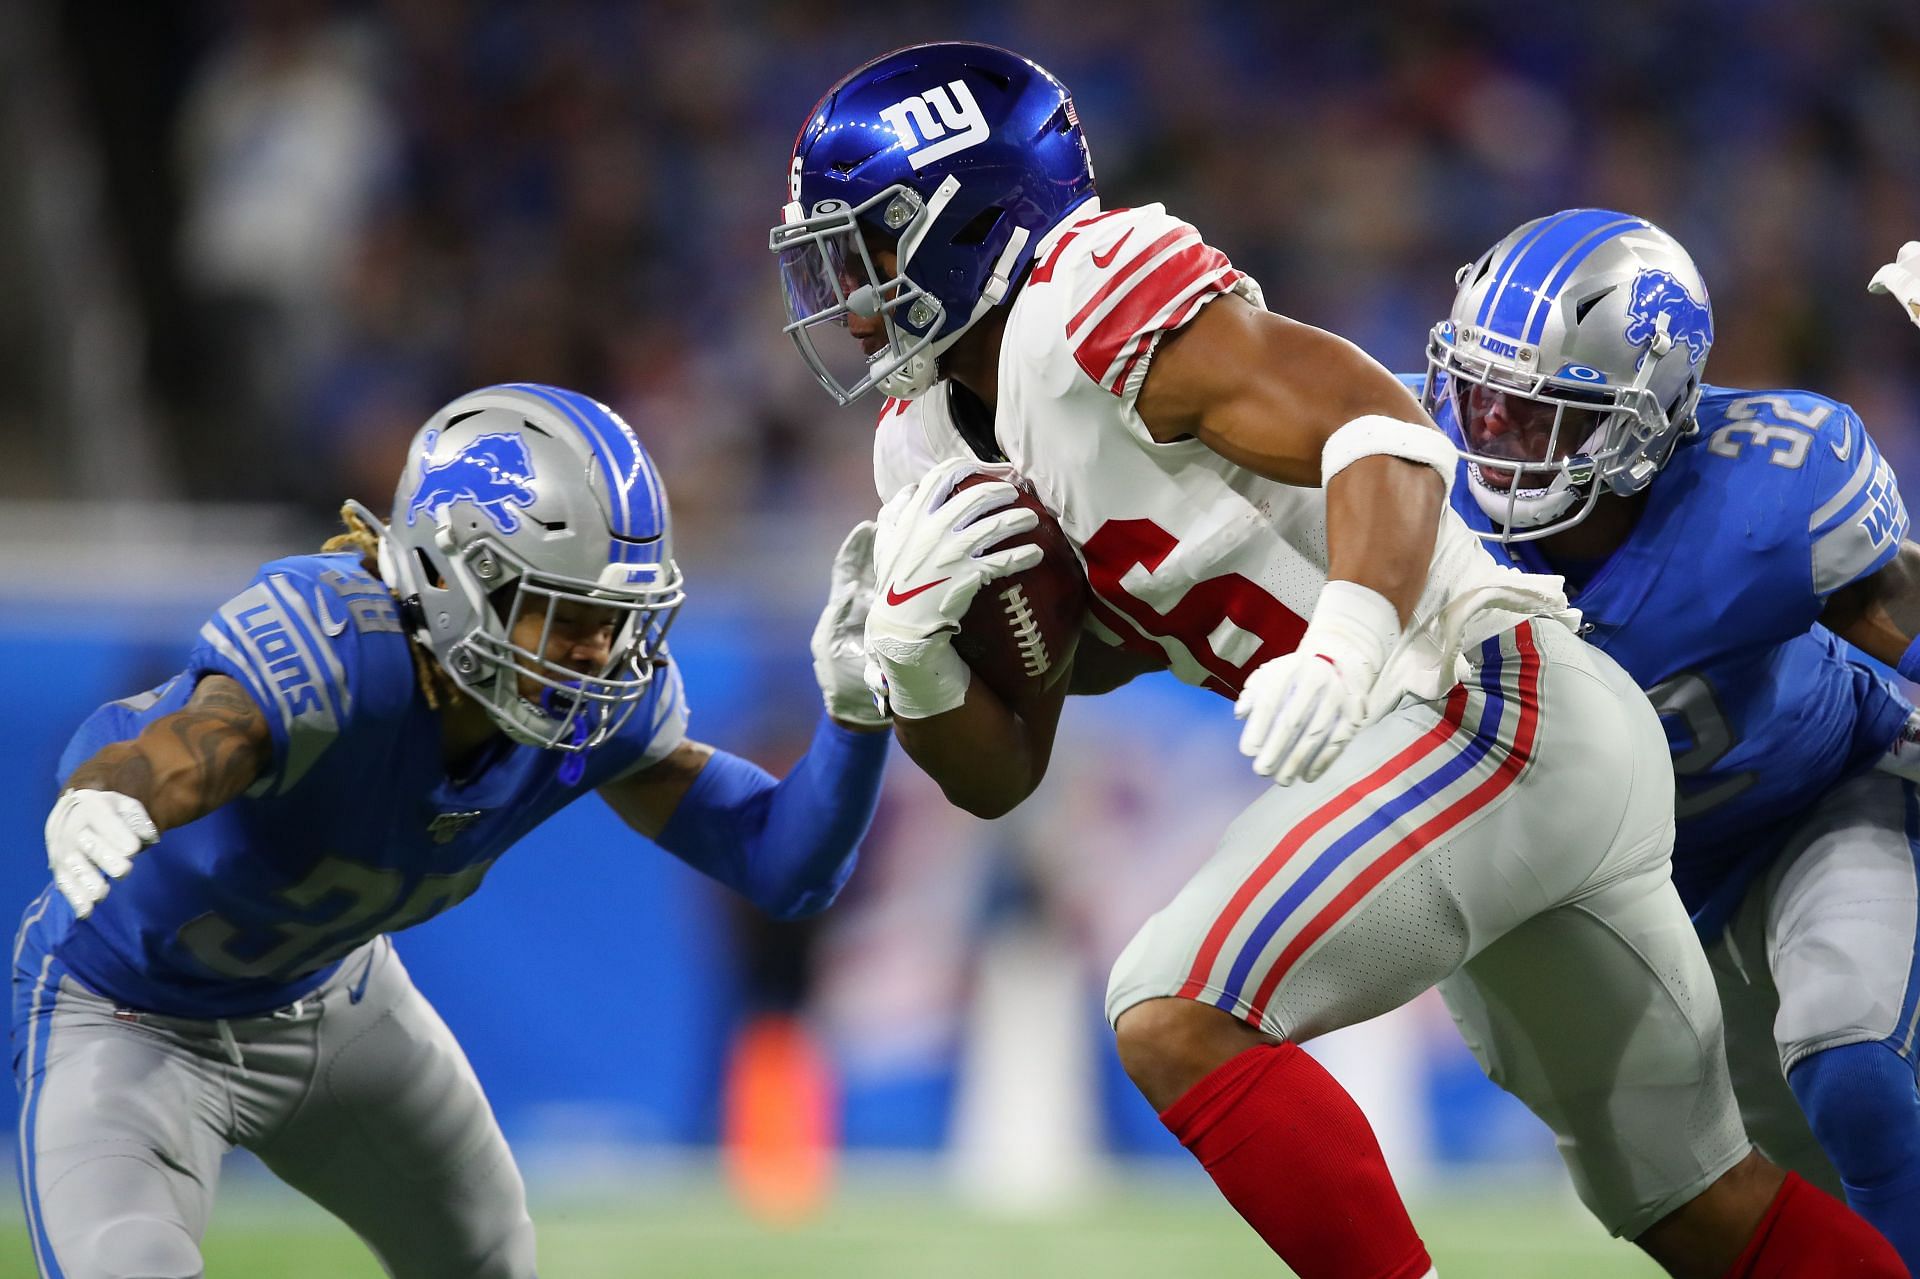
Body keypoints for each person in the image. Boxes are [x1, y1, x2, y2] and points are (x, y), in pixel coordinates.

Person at [768, 42, 1904, 1279]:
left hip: (1480, 695)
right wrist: (916, 665)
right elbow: (1003, 771)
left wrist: (1351, 639)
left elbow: (1384, 426)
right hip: (1487, 756)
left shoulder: (1085, 293)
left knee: (1174, 1007)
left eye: (870, 241)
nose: (847, 283)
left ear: (977, 215)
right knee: (1700, 1205)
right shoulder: (925, 444)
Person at [14, 382, 892, 1279]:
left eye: (616, 621)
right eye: (570, 615)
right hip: (127, 1012)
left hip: (335, 1003)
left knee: (488, 1262)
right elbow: (205, 737)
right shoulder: (343, 643)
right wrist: (115, 789)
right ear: (451, 577)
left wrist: (860, 716)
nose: (601, 654)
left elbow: (785, 865)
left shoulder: (595, 716)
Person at [1415, 211, 1920, 1270]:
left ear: (1648, 416)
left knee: (1852, 1060)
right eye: (1485, 400)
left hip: (1813, 802)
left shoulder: (1772, 490)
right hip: (1626, 904)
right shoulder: (1411, 503)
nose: (1495, 441)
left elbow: (1901, 617)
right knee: (1770, 1195)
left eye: (1541, 416)